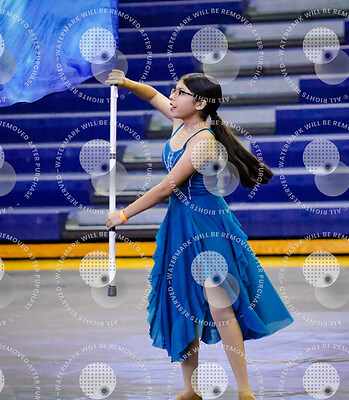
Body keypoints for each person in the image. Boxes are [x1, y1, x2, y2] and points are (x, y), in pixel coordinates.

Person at [105, 69, 294, 400]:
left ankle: (245, 389)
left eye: (180, 92)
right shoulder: (180, 123)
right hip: (180, 224)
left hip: (208, 226)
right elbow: (152, 95)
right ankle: (190, 390)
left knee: (220, 306)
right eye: (174, 90)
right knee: (182, 303)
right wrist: (127, 83)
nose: (172, 96)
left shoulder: (204, 141)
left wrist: (123, 214)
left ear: (200, 103)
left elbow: (166, 187)